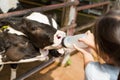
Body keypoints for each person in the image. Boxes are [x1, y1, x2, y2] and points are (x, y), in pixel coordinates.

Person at [74, 10, 120, 80]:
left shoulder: (95, 75)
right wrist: (94, 46)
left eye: (96, 40)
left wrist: (87, 53)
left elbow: (90, 68)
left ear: (106, 57)